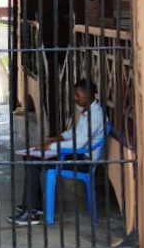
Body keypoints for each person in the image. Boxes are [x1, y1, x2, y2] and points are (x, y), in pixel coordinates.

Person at [10, 80, 104, 226]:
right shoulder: (89, 111)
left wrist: (51, 147)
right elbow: (76, 133)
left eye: (77, 95)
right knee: (30, 158)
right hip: (75, 154)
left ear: (87, 94)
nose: (75, 98)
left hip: (82, 161)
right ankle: (35, 205)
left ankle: (31, 213)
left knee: (33, 161)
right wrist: (59, 138)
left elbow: (79, 144)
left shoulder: (95, 116)